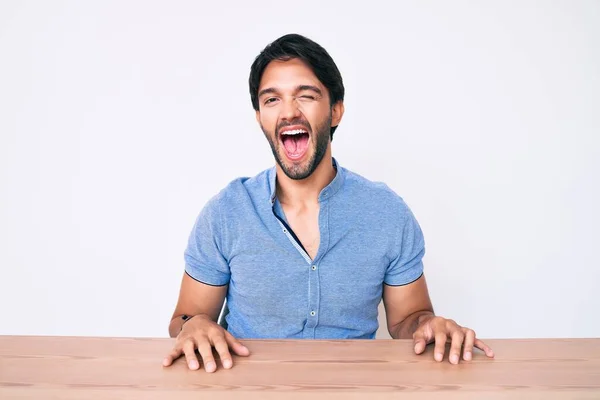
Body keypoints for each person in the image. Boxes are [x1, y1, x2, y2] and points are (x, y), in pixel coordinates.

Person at [162, 33, 495, 373]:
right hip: (246, 388)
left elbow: (408, 319)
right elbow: (186, 317)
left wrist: (429, 325)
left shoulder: (387, 213)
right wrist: (194, 326)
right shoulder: (226, 213)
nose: (289, 111)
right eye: (272, 100)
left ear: (335, 111)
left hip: (354, 387)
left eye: (306, 96)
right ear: (260, 116)